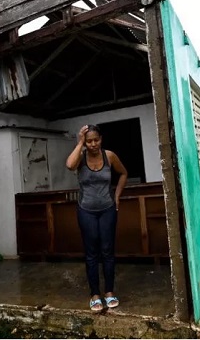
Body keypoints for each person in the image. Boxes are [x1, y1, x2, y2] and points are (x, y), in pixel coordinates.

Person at [66, 124, 128, 312]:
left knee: (107, 251)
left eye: (96, 140)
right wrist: (79, 143)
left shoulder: (109, 156)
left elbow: (124, 174)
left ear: (101, 139)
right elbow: (69, 165)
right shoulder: (80, 157)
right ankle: (95, 295)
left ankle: (109, 292)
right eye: (89, 141)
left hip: (108, 209)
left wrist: (116, 196)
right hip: (86, 211)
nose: (93, 144)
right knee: (92, 253)